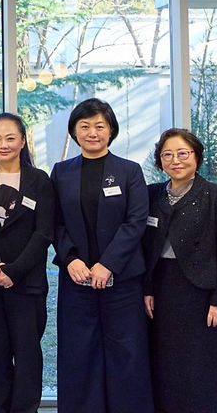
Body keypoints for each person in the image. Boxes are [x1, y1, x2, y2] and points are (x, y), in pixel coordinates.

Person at [50, 97, 152, 413]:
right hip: (77, 280)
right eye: (84, 126)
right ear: (74, 132)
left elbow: (136, 222)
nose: (92, 132)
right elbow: (54, 222)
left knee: (127, 353)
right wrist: (72, 259)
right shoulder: (61, 171)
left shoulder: (129, 171)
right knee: (79, 353)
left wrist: (107, 264)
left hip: (121, 282)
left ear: (111, 130)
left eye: (99, 126)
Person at [143, 128, 217, 413]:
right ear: (160, 162)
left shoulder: (216, 196)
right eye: (167, 155)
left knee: (203, 365)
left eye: (183, 153)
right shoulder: (152, 194)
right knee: (167, 363)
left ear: (196, 157)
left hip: (202, 293)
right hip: (162, 289)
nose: (176, 160)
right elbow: (145, 249)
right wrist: (146, 289)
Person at [0, 112, 54, 413]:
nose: (3, 144)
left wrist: (15, 270)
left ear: (22, 141)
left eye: (10, 138)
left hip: (27, 285)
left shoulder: (40, 181)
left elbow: (44, 232)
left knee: (28, 357)